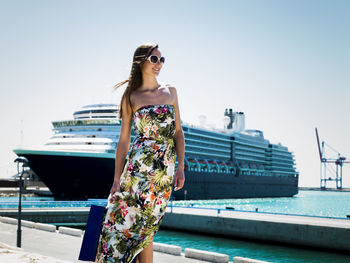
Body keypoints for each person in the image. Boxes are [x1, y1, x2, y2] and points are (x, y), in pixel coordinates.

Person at [94, 43, 185, 263]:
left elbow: (178, 132)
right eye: (154, 59)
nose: (159, 64)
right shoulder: (131, 96)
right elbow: (124, 141)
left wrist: (181, 167)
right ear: (141, 61)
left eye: (162, 60)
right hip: (137, 170)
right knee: (124, 221)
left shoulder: (171, 91)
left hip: (162, 171)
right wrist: (117, 179)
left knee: (149, 226)